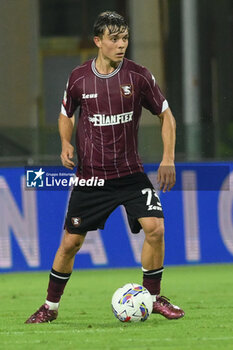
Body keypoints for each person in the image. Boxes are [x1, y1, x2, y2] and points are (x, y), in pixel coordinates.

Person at [25, 11, 184, 324]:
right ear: (98, 41)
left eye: (124, 38)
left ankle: (152, 298)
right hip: (92, 178)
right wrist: (65, 143)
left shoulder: (139, 76)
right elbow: (65, 113)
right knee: (70, 243)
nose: (121, 44)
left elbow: (166, 115)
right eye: (114, 39)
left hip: (131, 174)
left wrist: (168, 158)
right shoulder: (79, 78)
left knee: (156, 229)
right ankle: (50, 307)